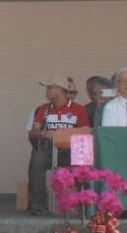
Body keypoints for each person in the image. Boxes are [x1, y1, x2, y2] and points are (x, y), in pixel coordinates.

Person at [26, 76, 89, 216]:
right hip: (49, 150)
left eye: (49, 88)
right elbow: (34, 132)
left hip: (71, 151)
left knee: (83, 163)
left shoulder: (79, 109)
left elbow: (86, 132)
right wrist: (44, 133)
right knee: (37, 160)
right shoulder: (44, 109)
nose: (46, 91)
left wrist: (67, 136)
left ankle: (81, 203)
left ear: (60, 90)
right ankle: (39, 203)